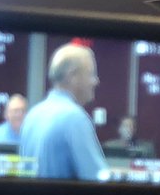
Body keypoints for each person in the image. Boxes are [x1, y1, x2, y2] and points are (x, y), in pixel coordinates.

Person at [18, 43, 108, 181]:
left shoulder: (32, 115)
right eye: (91, 74)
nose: (96, 81)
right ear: (73, 76)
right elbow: (98, 180)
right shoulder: (75, 119)